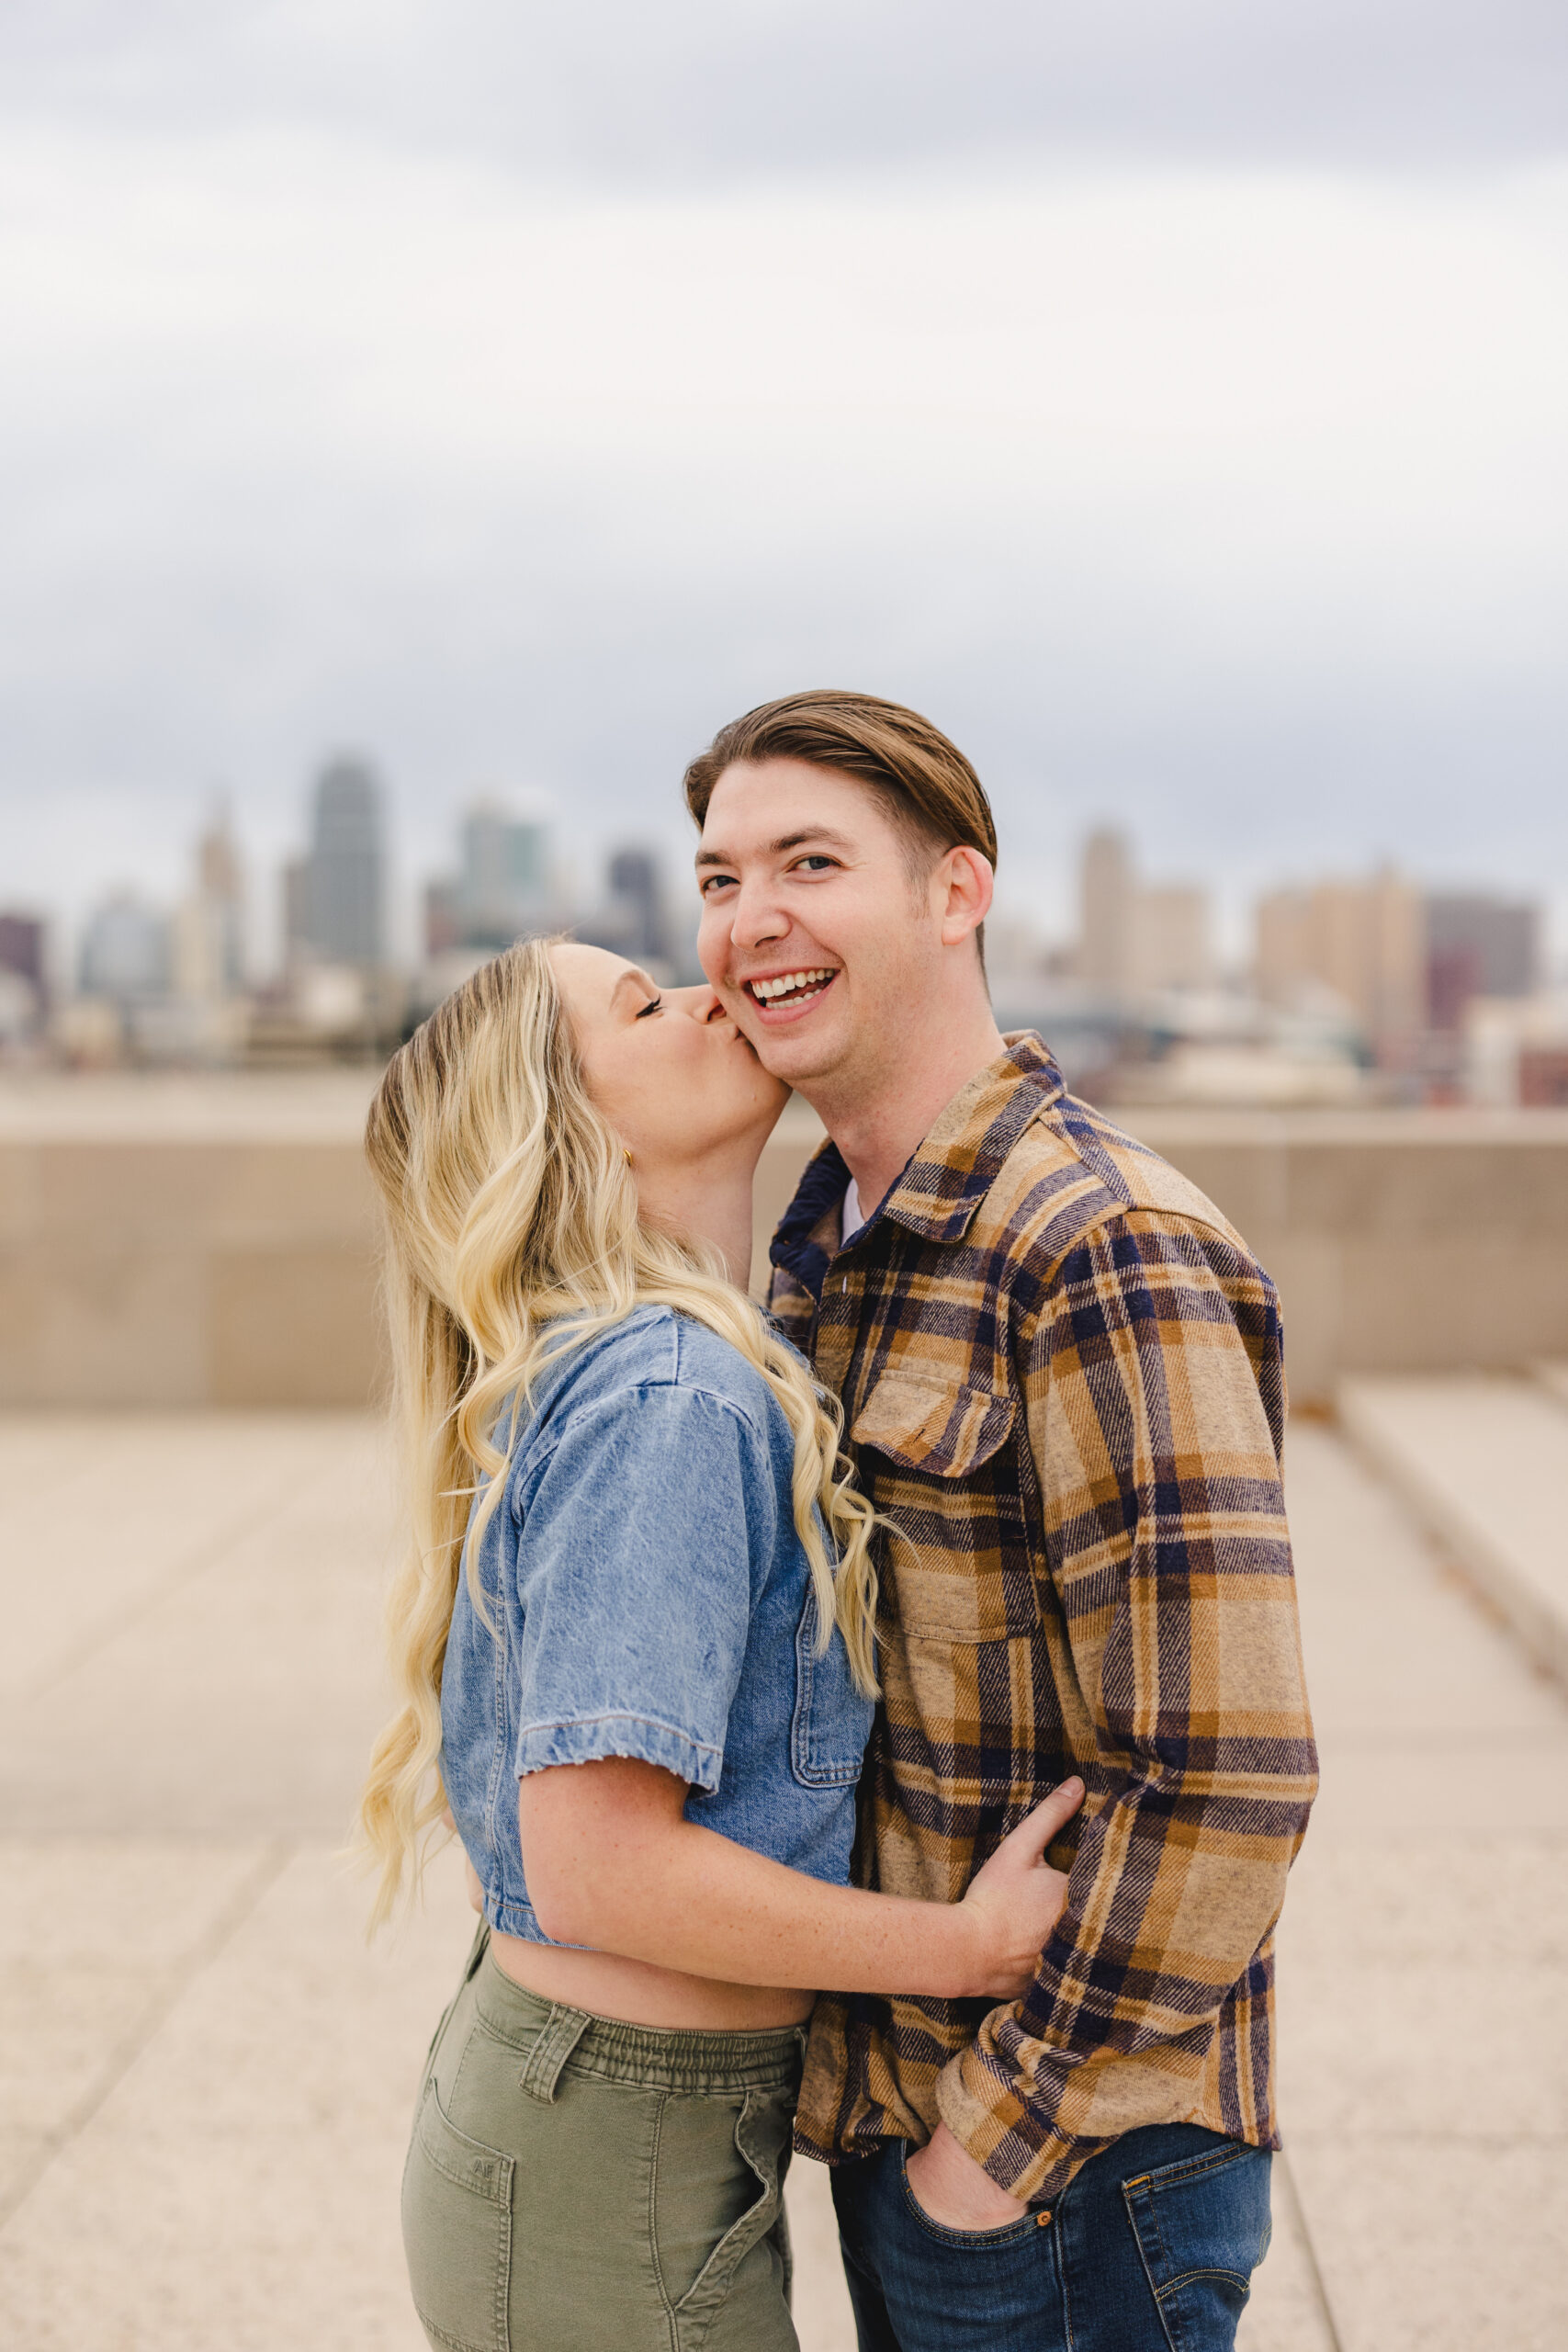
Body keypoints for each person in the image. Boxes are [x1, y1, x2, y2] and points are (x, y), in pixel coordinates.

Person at [687, 690, 1320, 2352]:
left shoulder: (1095, 1242)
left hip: (1076, 2172)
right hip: (912, 2123)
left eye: (809, 863)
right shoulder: (829, 1246)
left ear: (957, 892)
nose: (752, 920)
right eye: (717, 876)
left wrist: (993, 2144)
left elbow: (1227, 1773)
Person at [356, 934, 1085, 2352]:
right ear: (577, 1128)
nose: (701, 992)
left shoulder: (660, 1361)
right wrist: (963, 1950)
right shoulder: (673, 1396)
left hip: (605, 2118)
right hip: (608, 2147)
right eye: (642, 1008)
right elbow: (600, 1863)